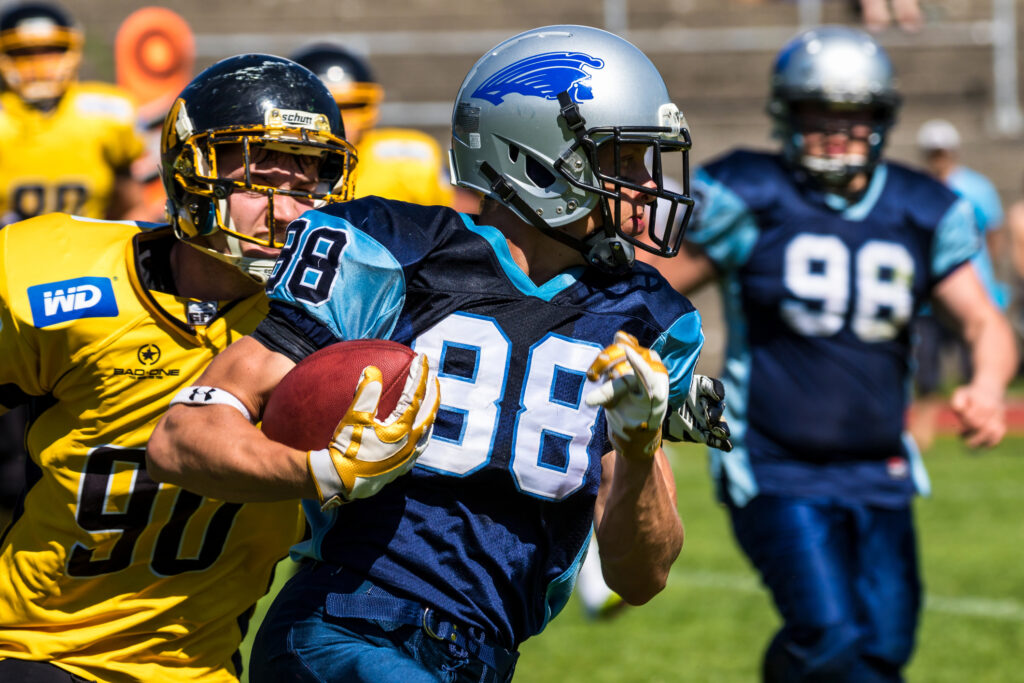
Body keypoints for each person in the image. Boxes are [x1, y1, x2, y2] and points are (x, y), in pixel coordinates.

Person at [148, 24, 730, 682]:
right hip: (345, 625)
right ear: (536, 155)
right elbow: (186, 431)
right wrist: (322, 470)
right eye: (620, 159)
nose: (646, 185)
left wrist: (639, 441)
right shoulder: (394, 250)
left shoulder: (646, 317)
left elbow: (641, 574)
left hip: (484, 657)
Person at [643, 25, 1017, 682]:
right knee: (828, 634)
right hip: (775, 462)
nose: (836, 130)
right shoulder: (749, 195)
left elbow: (985, 321)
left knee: (885, 648)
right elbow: (646, 290)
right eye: (820, 111)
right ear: (789, 112)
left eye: (854, 113)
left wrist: (986, 387)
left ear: (881, 118)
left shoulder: (920, 207)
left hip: (881, 466)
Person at [0, 53, 359, 682]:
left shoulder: (339, 316)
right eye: (261, 181)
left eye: (307, 187)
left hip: (202, 664)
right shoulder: (50, 274)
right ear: (191, 169)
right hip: (33, 647)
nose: (290, 211)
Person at [909, 118, 1008, 451]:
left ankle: (978, 425)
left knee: (974, 366)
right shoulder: (918, 189)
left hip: (967, 290)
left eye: (943, 152)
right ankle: (923, 433)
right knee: (926, 371)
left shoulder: (977, 187)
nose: (939, 158)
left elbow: (993, 233)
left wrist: (988, 276)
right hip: (926, 296)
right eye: (933, 153)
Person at [290, 42, 456, 208]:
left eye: (351, 107)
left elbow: (455, 217)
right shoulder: (276, 164)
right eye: (324, 106)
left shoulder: (409, 159)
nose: (340, 118)